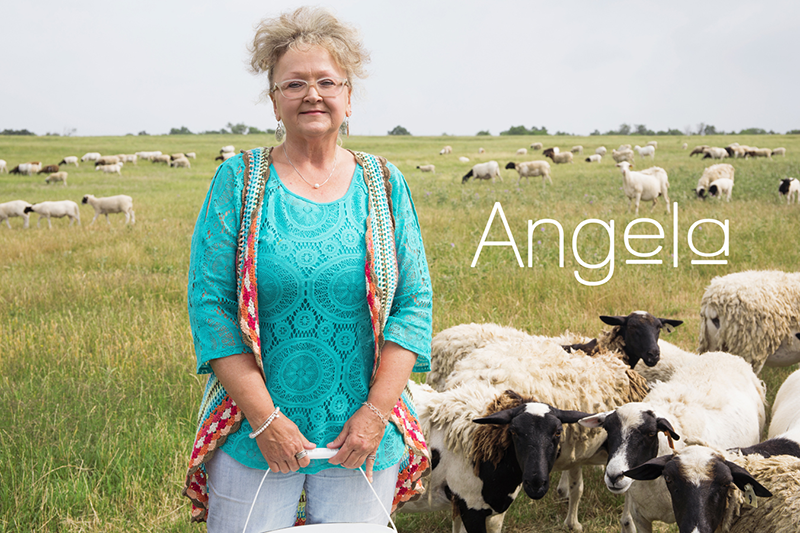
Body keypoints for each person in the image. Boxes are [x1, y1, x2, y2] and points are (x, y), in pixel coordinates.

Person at [182, 6, 433, 532]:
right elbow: (212, 308)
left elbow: (413, 304)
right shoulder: (240, 180)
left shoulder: (383, 184)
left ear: (348, 95)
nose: (311, 94)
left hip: (360, 438)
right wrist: (266, 421)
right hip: (255, 435)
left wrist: (373, 417)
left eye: (326, 81)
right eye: (293, 83)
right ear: (274, 99)